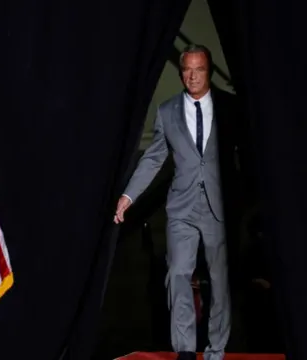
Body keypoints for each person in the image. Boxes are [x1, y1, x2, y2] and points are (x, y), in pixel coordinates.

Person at [114, 44, 244, 360]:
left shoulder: (229, 108)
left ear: (208, 72)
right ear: (181, 71)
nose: (192, 76)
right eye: (187, 69)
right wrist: (128, 195)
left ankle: (215, 351)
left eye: (198, 69)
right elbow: (153, 158)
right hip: (182, 209)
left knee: (219, 281)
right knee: (178, 275)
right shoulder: (167, 111)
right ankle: (185, 351)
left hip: (219, 207)